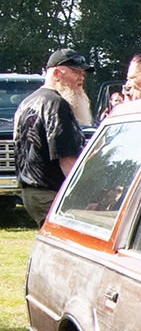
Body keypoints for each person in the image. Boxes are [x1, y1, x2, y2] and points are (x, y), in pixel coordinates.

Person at [13, 48, 91, 224]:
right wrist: (85, 197)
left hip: (31, 192)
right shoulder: (57, 104)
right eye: (75, 71)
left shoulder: (27, 102)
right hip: (50, 192)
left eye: (82, 72)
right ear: (56, 73)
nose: (81, 77)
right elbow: (67, 159)